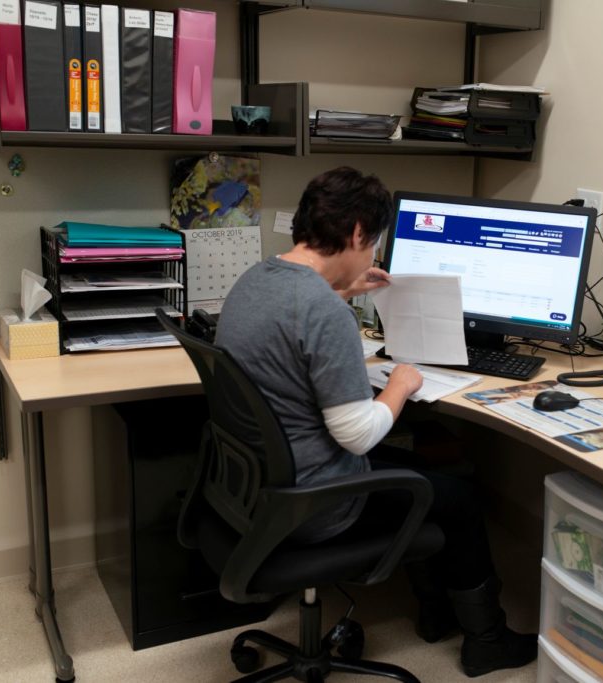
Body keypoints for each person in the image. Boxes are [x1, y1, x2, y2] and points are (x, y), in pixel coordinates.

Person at [215, 166, 536, 677]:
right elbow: (358, 433)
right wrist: (400, 386)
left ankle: (435, 614)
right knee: (457, 494)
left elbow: (301, 327)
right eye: (372, 246)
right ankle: (488, 640)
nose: (371, 258)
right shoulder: (322, 311)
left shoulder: (259, 278)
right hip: (318, 504)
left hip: (260, 488)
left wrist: (345, 291)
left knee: (421, 469)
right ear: (359, 233)